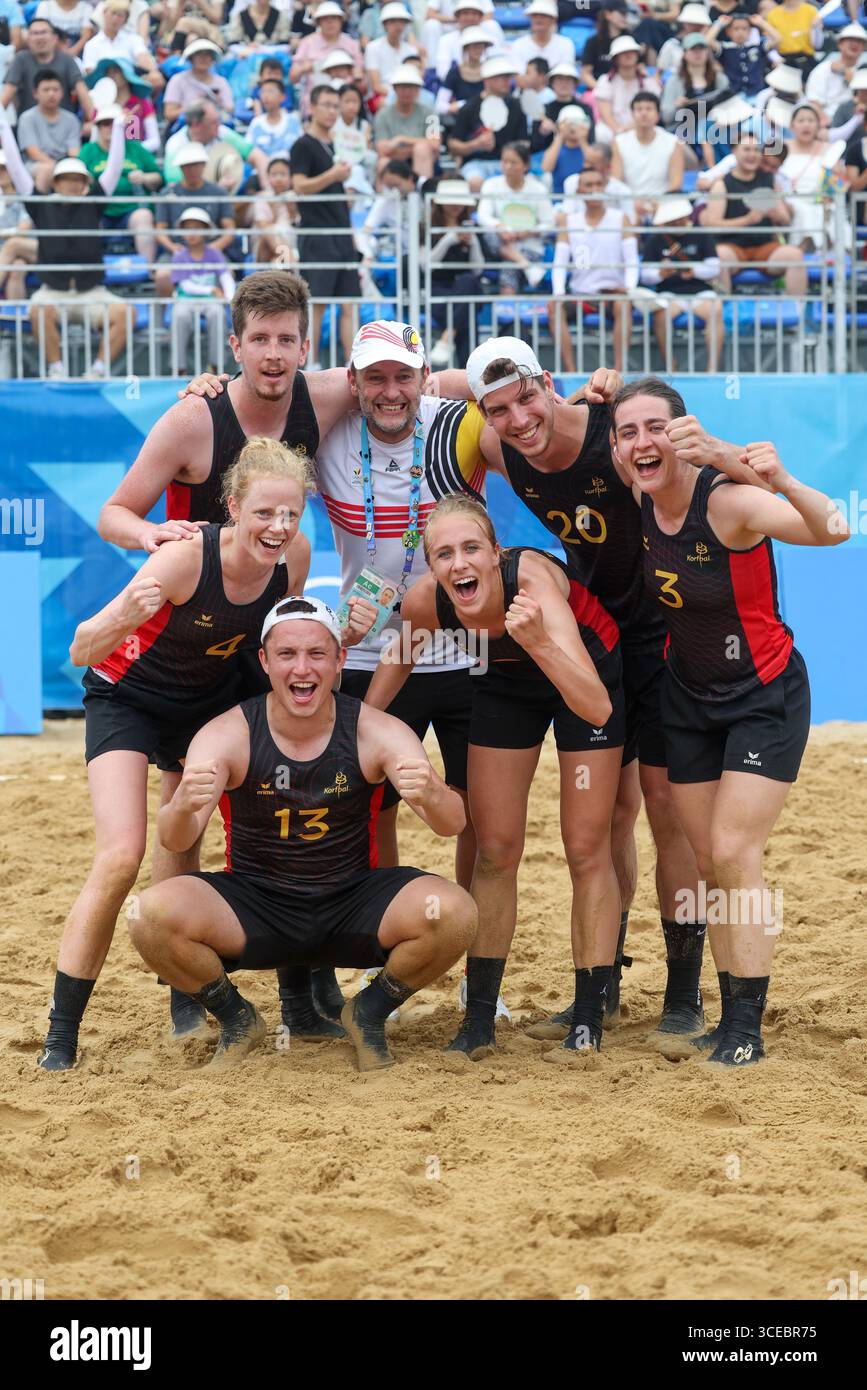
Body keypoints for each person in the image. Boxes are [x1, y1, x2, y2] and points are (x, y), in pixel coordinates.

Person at [465, 338, 718, 1043]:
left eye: (526, 398)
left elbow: (702, 487)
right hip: (598, 631)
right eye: (499, 409)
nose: (516, 419)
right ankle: (602, 990)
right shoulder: (497, 444)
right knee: (610, 816)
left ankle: (683, 994)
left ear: (550, 382)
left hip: (666, 632)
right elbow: (403, 395)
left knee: (667, 808)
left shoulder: (615, 431)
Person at [37, 439, 314, 1071]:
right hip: (127, 697)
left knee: (184, 835)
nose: (278, 528)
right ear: (234, 506)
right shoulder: (185, 562)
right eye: (265, 513)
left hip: (205, 703)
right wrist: (125, 613)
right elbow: (82, 648)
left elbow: (270, 642)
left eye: (291, 515)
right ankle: (61, 1036)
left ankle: (189, 999)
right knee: (119, 856)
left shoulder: (291, 558)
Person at [127, 596, 477, 1073]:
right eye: (287, 654)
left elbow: (451, 824)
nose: (302, 668)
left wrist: (434, 793)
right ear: (265, 661)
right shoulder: (228, 732)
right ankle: (237, 1018)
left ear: (339, 660)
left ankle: (369, 1011)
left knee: (454, 912)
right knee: (148, 915)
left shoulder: (376, 729)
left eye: (316, 653)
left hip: (351, 903)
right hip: (257, 905)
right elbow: (173, 837)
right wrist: (184, 805)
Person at [609, 376, 849, 1065]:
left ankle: (745, 1027)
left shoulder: (732, 504)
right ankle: (727, 1013)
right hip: (687, 698)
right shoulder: (639, 492)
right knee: (706, 864)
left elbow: (832, 529)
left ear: (683, 433)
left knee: (733, 854)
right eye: (627, 432)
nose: (639, 442)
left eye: (654, 427)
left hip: (761, 694)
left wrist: (772, 474)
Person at [364, 495, 623, 1057]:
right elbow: (394, 672)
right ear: (431, 566)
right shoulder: (425, 603)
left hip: (582, 674)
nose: (459, 564)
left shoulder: (533, 587)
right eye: (444, 554)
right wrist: (354, 736)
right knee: (495, 849)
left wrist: (537, 642)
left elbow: (597, 707)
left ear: (495, 552)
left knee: (584, 847)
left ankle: (587, 1021)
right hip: (505, 681)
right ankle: (478, 1020)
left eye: (471, 548)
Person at [0, 107, 128, 378]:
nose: (72, 184)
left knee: (123, 312)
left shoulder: (94, 203)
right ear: (56, 183)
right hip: (53, 292)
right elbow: (15, 164)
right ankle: (57, 368)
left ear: (85, 183)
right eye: (66, 179)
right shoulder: (40, 205)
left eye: (77, 179)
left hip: (92, 292)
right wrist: (3, 128)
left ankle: (98, 370)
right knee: (37, 310)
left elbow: (115, 167)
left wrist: (118, 129)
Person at [289, 83, 361, 369]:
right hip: (317, 235)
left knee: (348, 304)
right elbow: (300, 186)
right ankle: (312, 364)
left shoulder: (339, 143)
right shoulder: (302, 145)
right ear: (312, 107)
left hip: (342, 233)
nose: (333, 111)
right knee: (316, 303)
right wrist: (333, 175)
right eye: (327, 105)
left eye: (336, 105)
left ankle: (353, 364)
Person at [550, 166, 638, 374]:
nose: (594, 189)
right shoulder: (568, 221)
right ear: (579, 190)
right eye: (588, 185)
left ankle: (618, 370)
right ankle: (571, 370)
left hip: (612, 293)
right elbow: (560, 262)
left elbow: (632, 260)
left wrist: (628, 288)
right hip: (580, 293)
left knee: (623, 306)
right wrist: (559, 293)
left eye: (599, 184)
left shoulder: (620, 218)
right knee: (554, 306)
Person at [699, 128, 807, 294]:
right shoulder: (722, 184)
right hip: (731, 246)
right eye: (747, 149)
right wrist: (747, 220)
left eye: (756, 150)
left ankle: (796, 314)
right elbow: (713, 225)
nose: (752, 154)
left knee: (795, 256)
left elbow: (785, 219)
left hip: (764, 246)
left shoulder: (769, 180)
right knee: (718, 259)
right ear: (735, 152)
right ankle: (724, 312)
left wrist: (774, 213)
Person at [638, 195, 724, 371]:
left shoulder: (702, 235)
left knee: (716, 310)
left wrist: (694, 271)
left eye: (679, 220)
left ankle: (712, 368)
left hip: (700, 292)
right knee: (660, 315)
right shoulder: (655, 240)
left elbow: (715, 268)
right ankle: (671, 365)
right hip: (670, 293)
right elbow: (646, 275)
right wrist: (661, 274)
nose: (676, 224)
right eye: (672, 222)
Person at [79, 100, 162, 263]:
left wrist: (145, 177)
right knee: (85, 218)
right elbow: (78, 180)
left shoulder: (135, 148)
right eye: (105, 123)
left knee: (144, 217)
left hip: (131, 210)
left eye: (113, 123)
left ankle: (147, 270)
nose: (110, 127)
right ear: (98, 127)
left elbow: (159, 178)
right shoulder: (88, 151)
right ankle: (89, 270)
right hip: (100, 211)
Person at [154, 141, 236, 299]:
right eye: (187, 165)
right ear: (180, 168)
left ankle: (225, 316)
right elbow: (160, 229)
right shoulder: (168, 193)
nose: (191, 169)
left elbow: (229, 228)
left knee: (228, 274)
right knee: (162, 277)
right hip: (177, 252)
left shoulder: (218, 192)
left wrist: (214, 247)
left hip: (211, 252)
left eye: (196, 165)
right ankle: (164, 319)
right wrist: (172, 247)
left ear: (204, 165)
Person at [477, 141, 555, 293]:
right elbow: (483, 216)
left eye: (513, 162)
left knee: (509, 268)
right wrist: (500, 227)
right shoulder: (491, 185)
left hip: (529, 244)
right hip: (500, 241)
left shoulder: (538, 189)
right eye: (504, 161)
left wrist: (527, 232)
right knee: (490, 234)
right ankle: (526, 265)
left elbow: (548, 223)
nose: (507, 166)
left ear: (525, 166)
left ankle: (507, 314)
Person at [448, 53, 529, 191]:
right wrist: (476, 145)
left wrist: (511, 154)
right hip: (476, 163)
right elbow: (454, 146)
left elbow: (524, 142)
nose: (507, 81)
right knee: (475, 182)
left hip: (507, 163)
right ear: (487, 81)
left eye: (508, 77)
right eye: (501, 78)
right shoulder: (469, 107)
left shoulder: (516, 106)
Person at [169, 205, 235, 373]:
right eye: (188, 229)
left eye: (197, 229)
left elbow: (225, 277)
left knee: (217, 314)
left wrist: (231, 297)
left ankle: (216, 366)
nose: (191, 233)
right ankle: (179, 368)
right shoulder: (179, 256)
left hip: (210, 302)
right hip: (185, 300)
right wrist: (211, 290)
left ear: (206, 231)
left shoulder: (215, 254)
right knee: (180, 315)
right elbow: (184, 285)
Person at [427, 176, 484, 366]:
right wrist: (449, 239)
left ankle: (447, 337)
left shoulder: (471, 227)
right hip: (438, 292)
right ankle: (469, 379)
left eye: (460, 201)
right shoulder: (426, 226)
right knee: (467, 317)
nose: (456, 206)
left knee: (468, 281)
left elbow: (478, 270)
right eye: (451, 201)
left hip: (465, 291)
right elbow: (425, 265)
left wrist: (473, 242)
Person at [163, 99, 269, 194]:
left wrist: (267, 188)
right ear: (196, 125)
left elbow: (258, 156)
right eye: (213, 122)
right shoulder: (175, 144)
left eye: (218, 120)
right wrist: (216, 189)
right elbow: (174, 182)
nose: (219, 125)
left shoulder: (221, 132)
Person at [661, 32, 732, 167]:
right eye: (693, 50)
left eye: (702, 49)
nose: (698, 53)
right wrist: (677, 105)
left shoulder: (720, 79)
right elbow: (665, 116)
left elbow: (730, 107)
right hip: (684, 132)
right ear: (685, 53)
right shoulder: (674, 81)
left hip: (716, 131)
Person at [780, 101, 843, 250]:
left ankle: (834, 254)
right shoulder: (781, 147)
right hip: (790, 201)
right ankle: (800, 250)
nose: (806, 125)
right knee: (803, 211)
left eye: (810, 121)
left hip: (822, 199)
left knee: (833, 212)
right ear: (792, 125)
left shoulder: (829, 149)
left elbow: (839, 181)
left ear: (818, 126)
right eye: (801, 121)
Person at [1, 15, 94, 118]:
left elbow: (82, 92)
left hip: (64, 126)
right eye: (35, 33)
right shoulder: (21, 59)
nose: (39, 37)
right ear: (28, 39)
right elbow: (7, 94)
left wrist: (94, 121)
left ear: (55, 38)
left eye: (43, 32)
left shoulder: (66, 60)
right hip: (28, 127)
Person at [612, 90, 684, 214]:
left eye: (649, 109)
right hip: (629, 205)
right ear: (632, 114)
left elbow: (675, 184)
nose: (644, 113)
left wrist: (657, 205)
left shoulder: (673, 142)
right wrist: (632, 204)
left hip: (663, 205)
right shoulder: (619, 142)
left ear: (657, 115)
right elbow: (616, 181)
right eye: (639, 109)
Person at [290, 1, 364, 119]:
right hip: (315, 104)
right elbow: (293, 77)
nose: (330, 23)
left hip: (346, 106)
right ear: (318, 22)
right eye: (325, 19)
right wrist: (309, 67)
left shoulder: (351, 44)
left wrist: (352, 73)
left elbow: (361, 80)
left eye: (334, 18)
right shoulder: (307, 43)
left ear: (341, 21)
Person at [372, 62, 440, 181]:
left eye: (411, 87)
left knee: (422, 150)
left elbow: (435, 144)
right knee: (383, 162)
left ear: (418, 89)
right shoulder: (382, 115)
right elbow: (382, 149)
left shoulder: (430, 113)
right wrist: (413, 148)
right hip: (394, 163)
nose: (407, 91)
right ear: (394, 88)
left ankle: (421, 189)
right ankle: (386, 198)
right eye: (403, 87)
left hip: (423, 160)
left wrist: (401, 139)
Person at [81, 0, 162, 95]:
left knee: (156, 79)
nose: (115, 18)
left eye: (120, 15)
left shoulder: (133, 39)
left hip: (128, 88)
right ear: (104, 13)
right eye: (113, 13)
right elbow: (91, 72)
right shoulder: (91, 44)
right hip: (103, 89)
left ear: (125, 20)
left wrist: (153, 71)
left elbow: (142, 56)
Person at [595, 35, 662, 142]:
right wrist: (619, 131)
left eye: (632, 51)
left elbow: (653, 110)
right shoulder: (605, 81)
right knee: (601, 134)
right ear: (615, 58)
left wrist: (634, 127)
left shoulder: (647, 82)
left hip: (642, 127)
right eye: (623, 53)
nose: (628, 55)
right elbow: (605, 113)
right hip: (612, 130)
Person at [86, 56, 159, 151]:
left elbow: (155, 141)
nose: (112, 75)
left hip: (136, 159)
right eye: (108, 72)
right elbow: (95, 139)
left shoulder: (142, 103)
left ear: (126, 75)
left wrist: (133, 152)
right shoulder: (101, 105)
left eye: (116, 71)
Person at [15, 66, 81, 170]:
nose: (51, 94)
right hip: (36, 165)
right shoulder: (27, 118)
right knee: (46, 169)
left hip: (65, 165)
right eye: (46, 90)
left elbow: (74, 151)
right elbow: (32, 152)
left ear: (62, 92)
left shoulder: (71, 119)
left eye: (55, 90)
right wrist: (56, 168)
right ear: (35, 93)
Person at [163, 38, 234, 126]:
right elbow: (169, 114)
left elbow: (229, 110)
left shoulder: (221, 82)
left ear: (212, 58)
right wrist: (195, 107)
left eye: (207, 55)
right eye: (199, 55)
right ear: (191, 58)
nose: (203, 58)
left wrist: (217, 103)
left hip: (216, 128)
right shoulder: (177, 80)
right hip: (185, 128)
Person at [804, 22, 867, 116]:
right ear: (840, 44)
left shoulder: (864, 71)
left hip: (859, 122)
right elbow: (814, 102)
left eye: (859, 41)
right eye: (850, 40)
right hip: (827, 121)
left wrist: (848, 76)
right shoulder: (823, 69)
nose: (854, 44)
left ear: (864, 47)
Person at [365, 3, 421, 101]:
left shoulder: (411, 50)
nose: (398, 25)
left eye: (401, 21)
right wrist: (397, 96)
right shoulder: (372, 48)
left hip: (406, 95)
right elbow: (376, 86)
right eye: (393, 21)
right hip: (381, 96)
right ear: (385, 24)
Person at [712, 11, 773, 99]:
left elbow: (778, 39)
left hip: (757, 93)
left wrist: (762, 23)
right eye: (736, 29)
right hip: (733, 95)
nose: (740, 32)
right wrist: (719, 24)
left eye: (744, 29)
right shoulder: (725, 48)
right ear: (728, 32)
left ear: (750, 31)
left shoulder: (757, 46)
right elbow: (707, 42)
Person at [511, 0, 575, 81]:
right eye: (534, 16)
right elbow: (519, 79)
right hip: (526, 92)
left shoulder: (566, 44)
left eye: (543, 15)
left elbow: (565, 77)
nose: (538, 19)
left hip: (557, 92)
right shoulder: (518, 45)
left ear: (553, 19)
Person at [436, 25, 489, 116]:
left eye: (481, 46)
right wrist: (461, 105)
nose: (478, 50)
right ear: (466, 48)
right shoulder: (454, 73)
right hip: (462, 120)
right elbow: (440, 105)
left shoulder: (490, 71)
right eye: (474, 46)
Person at [541, 103, 593, 196]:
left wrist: (582, 139)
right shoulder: (556, 150)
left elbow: (594, 166)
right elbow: (546, 168)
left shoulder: (590, 150)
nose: (573, 128)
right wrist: (560, 134)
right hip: (560, 203)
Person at [764, 0, 822, 78]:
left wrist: (816, 29)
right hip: (784, 60)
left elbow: (817, 45)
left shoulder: (810, 10)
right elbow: (769, 46)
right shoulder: (773, 14)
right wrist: (776, 59)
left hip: (806, 59)